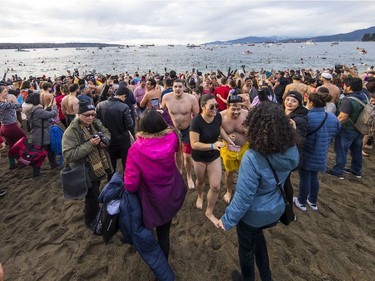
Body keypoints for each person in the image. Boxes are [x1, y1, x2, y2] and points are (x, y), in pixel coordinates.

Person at [217, 102, 299, 281]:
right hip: (276, 208)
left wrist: (227, 219)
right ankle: (266, 277)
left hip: (254, 213)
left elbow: (245, 197)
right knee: (257, 237)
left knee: (246, 251)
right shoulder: (291, 148)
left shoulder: (253, 157)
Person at [124, 109, 187, 260]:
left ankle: (156, 262)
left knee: (148, 230)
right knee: (164, 232)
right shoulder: (172, 137)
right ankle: (164, 262)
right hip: (170, 192)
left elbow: (130, 185)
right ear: (161, 123)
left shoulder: (136, 149)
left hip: (150, 199)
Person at [62, 100, 113, 230]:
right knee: (93, 196)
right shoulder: (71, 131)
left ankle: (90, 211)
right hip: (83, 169)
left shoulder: (95, 123)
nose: (90, 117)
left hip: (97, 166)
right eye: (87, 115)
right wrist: (90, 144)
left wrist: (104, 141)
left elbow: (106, 132)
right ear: (78, 115)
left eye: (92, 114)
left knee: (95, 193)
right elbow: (68, 155)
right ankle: (90, 220)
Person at [189, 94, 235, 225]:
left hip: (214, 156)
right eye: (211, 106)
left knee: (215, 186)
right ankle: (199, 195)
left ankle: (209, 211)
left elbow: (220, 129)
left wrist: (229, 141)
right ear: (203, 107)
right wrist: (212, 145)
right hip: (199, 158)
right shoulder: (196, 122)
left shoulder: (217, 116)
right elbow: (194, 144)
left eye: (217, 105)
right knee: (200, 181)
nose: (215, 108)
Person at [294, 92, 340, 211]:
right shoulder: (332, 117)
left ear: (311, 103)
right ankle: (313, 201)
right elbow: (337, 131)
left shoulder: (307, 117)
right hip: (322, 152)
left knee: (304, 177)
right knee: (314, 177)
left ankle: (301, 202)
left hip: (308, 151)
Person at [161, 79, 200, 189]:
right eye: (175, 86)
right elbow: (162, 110)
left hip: (187, 129)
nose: (177, 89)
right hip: (173, 129)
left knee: (187, 157)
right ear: (172, 87)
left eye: (180, 86)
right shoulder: (166, 98)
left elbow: (197, 116)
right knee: (176, 153)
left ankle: (188, 176)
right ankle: (179, 172)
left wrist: (196, 133)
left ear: (184, 88)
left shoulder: (191, 99)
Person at [326, 77, 368, 179]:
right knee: (357, 150)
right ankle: (356, 170)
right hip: (360, 127)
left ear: (349, 87)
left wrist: (332, 126)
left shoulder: (348, 100)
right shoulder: (364, 96)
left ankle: (338, 171)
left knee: (341, 150)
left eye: (345, 85)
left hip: (347, 129)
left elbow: (342, 117)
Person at [96, 86, 134, 177]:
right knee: (126, 165)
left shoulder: (100, 105)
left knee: (111, 166)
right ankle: (126, 183)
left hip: (107, 140)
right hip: (122, 140)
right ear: (124, 96)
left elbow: (96, 122)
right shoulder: (124, 107)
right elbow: (130, 125)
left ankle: (111, 184)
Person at [220, 95, 249, 203]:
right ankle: (229, 191)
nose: (236, 112)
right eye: (233, 108)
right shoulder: (220, 116)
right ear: (227, 106)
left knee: (245, 172)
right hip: (228, 149)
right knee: (229, 172)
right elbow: (215, 132)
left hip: (244, 148)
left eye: (239, 108)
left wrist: (248, 130)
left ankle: (242, 191)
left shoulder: (246, 114)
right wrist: (225, 137)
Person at [23, 93, 59, 177]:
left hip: (38, 134)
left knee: (49, 150)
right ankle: (36, 173)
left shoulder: (32, 109)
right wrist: (54, 106)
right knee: (40, 155)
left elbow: (44, 114)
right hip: (42, 135)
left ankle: (53, 165)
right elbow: (52, 114)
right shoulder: (38, 111)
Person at [0, 85, 26, 169]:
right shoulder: (5, 105)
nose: (6, 94)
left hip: (4, 127)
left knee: (12, 146)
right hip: (11, 127)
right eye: (5, 92)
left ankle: (12, 163)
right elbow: (18, 106)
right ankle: (22, 160)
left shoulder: (3, 104)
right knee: (24, 140)